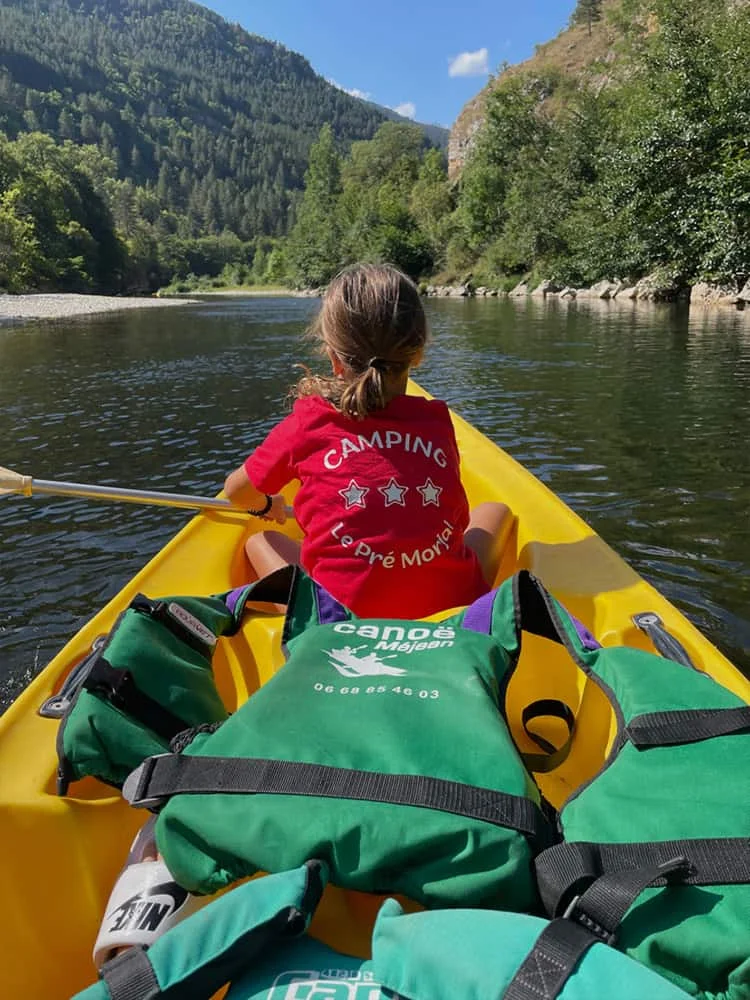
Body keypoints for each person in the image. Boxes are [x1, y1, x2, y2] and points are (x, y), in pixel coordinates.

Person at [224, 262, 510, 619]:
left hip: (339, 617)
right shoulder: (437, 420)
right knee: (496, 511)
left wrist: (268, 506)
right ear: (418, 352)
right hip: (450, 603)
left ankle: (303, 613)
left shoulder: (308, 422)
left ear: (334, 359)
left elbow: (237, 492)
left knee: (258, 540)